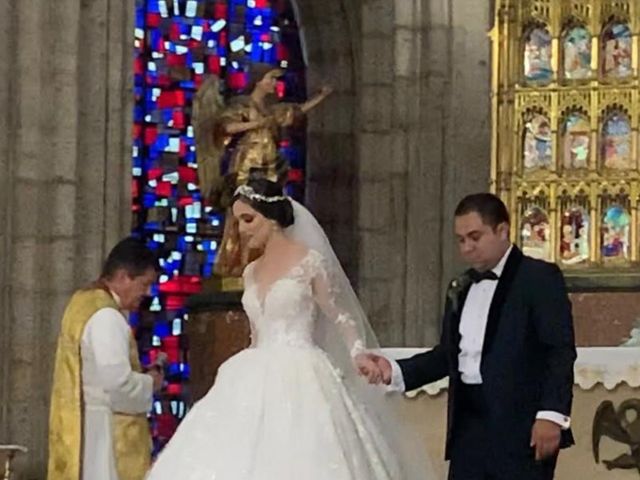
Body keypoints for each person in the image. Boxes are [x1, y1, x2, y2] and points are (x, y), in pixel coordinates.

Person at [145, 179, 434, 479]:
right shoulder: (250, 272)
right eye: (238, 221)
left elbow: (341, 316)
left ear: (270, 218)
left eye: (248, 219)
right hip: (254, 367)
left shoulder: (309, 261)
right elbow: (257, 332)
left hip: (302, 370)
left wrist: (358, 352)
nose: (241, 230)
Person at [365, 193, 577, 480]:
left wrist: (551, 415)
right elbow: (447, 354)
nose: (466, 248)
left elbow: (559, 350)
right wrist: (396, 370)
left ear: (502, 230)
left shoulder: (538, 278)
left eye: (475, 237)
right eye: (461, 239)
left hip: (521, 426)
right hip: (469, 426)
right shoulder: (461, 287)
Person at [193, 63, 333, 277]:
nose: (274, 84)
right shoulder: (243, 105)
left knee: (268, 218)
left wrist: (321, 97)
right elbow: (225, 127)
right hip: (247, 166)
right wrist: (256, 125)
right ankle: (236, 265)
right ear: (258, 80)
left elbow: (295, 111)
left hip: (270, 167)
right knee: (244, 214)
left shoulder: (270, 109)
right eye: (271, 78)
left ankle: (264, 262)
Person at [48, 237, 164, 480]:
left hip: (87, 427)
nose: (147, 292)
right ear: (123, 277)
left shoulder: (82, 302)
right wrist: (150, 383)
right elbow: (118, 386)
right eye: (144, 284)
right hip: (104, 436)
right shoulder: (106, 317)